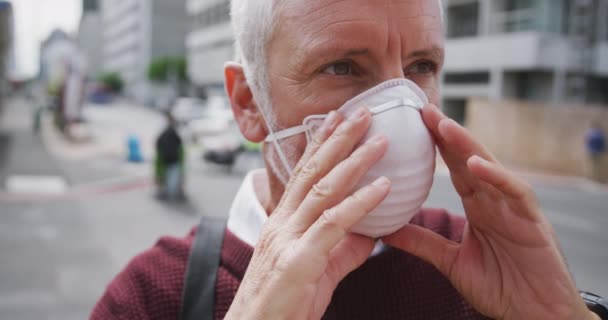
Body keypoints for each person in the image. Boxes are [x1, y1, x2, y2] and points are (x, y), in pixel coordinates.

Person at [91, 0, 603, 319]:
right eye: (342, 67)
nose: (398, 106)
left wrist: (560, 315)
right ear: (249, 103)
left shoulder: (482, 264)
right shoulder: (151, 296)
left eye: (420, 66)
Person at [155, 111, 185, 200]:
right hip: (173, 159)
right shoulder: (173, 133)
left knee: (167, 176)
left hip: (166, 158)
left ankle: (168, 192)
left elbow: (158, 142)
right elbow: (180, 145)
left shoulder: (165, 133)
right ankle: (170, 192)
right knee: (172, 177)